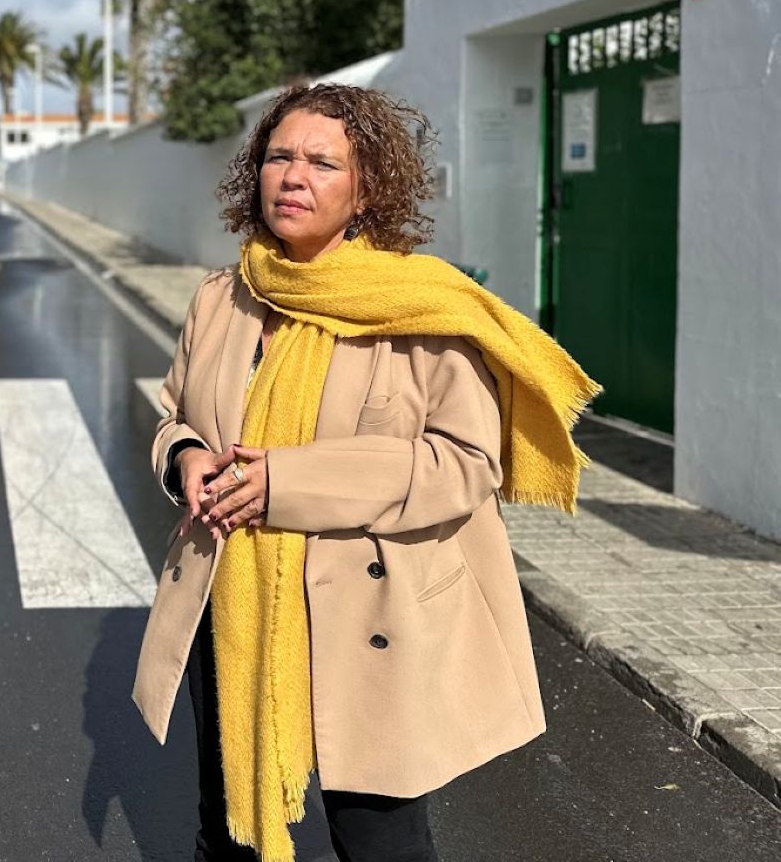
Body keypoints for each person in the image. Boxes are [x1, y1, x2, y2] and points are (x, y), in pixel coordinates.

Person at [132, 84, 598, 862]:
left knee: (377, 837)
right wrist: (183, 459)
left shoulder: (418, 309)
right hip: (232, 593)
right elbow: (174, 414)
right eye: (278, 156)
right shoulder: (223, 296)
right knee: (226, 829)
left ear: (366, 189)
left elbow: (462, 465)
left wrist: (286, 482)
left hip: (365, 606)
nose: (292, 176)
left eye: (322, 162)